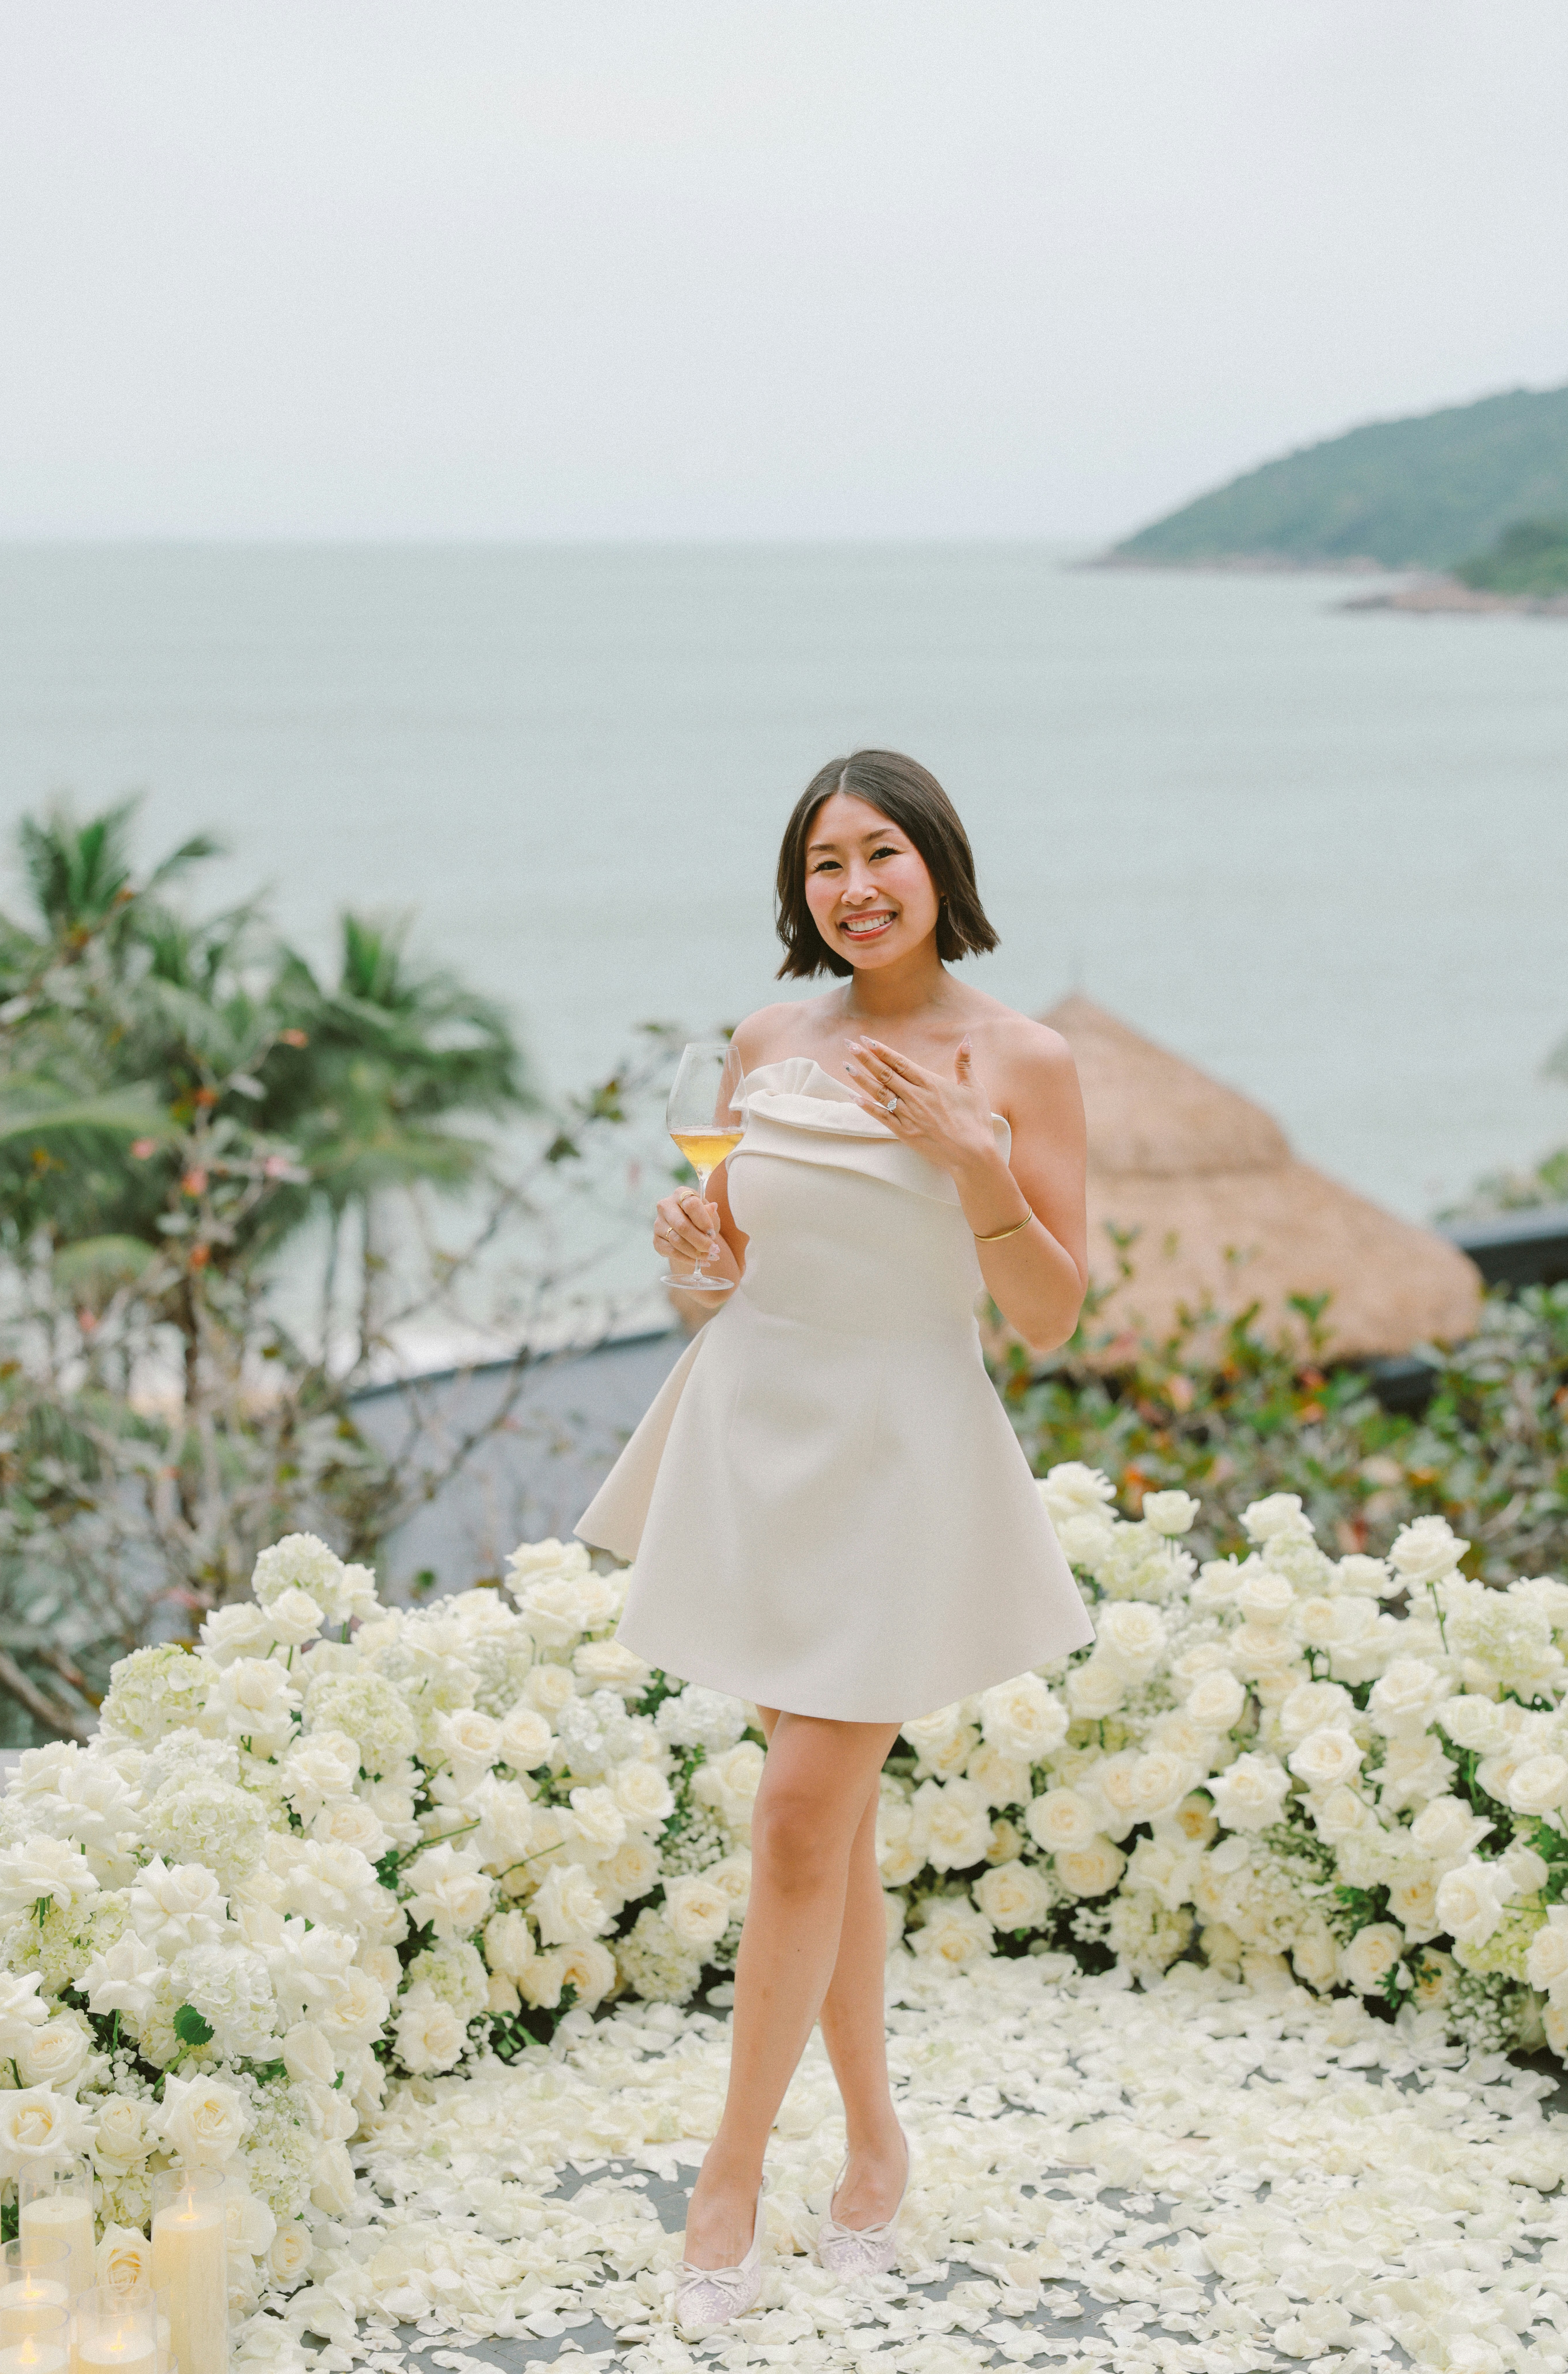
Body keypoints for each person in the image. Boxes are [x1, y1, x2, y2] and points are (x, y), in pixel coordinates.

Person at [576, 749, 1094, 2331]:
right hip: (754, 1433)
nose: (855, 889)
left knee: (799, 1816)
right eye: (824, 865)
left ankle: (728, 2174)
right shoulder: (764, 1037)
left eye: (882, 854)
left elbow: (1055, 1318)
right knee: (832, 1831)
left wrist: (975, 1161)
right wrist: (696, 1244)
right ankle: (873, 2149)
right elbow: (736, 1262)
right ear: (797, 893)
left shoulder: (1022, 1057)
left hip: (898, 1455)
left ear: (939, 865)